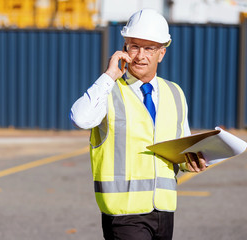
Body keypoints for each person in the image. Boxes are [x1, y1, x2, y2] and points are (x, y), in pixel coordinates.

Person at [70, 9, 207, 240]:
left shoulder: (175, 93)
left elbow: (179, 149)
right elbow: (80, 119)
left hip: (164, 211)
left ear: (161, 53)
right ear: (124, 48)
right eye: (134, 46)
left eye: (149, 48)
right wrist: (109, 75)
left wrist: (193, 160)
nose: (140, 56)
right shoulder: (109, 91)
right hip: (123, 213)